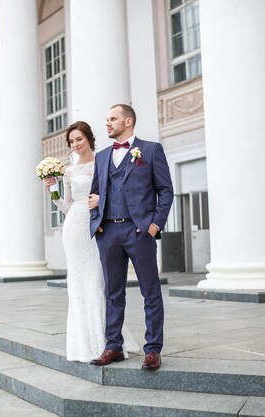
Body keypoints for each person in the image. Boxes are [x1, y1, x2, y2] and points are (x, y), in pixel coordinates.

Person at [88, 104, 174, 371]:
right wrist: (97, 223)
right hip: (109, 232)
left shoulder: (149, 150)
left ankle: (153, 349)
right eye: (106, 119)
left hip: (139, 231)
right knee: (113, 293)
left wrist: (154, 225)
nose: (107, 123)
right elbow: (93, 195)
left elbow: (165, 190)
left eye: (112, 118)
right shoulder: (102, 156)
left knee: (150, 291)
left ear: (128, 121)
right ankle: (113, 346)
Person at [45, 121, 138, 363]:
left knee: (98, 282)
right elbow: (67, 206)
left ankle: (108, 341)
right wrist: (52, 192)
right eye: (72, 141)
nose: (75, 144)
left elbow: (115, 194)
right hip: (74, 227)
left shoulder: (103, 163)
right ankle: (83, 343)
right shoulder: (68, 171)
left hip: (99, 226)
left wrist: (101, 203)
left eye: (79, 139)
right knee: (78, 285)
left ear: (89, 138)